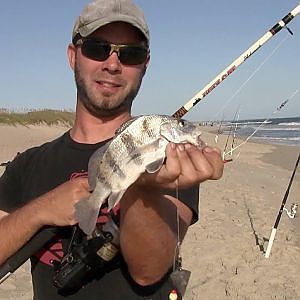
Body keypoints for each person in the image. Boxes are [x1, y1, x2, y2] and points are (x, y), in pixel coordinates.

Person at [0, 0, 224, 299]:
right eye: (97, 48)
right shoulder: (27, 165)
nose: (113, 64)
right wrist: (40, 211)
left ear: (145, 64)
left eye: (130, 53)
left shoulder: (169, 160)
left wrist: (144, 189)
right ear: (73, 56)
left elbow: (149, 271)